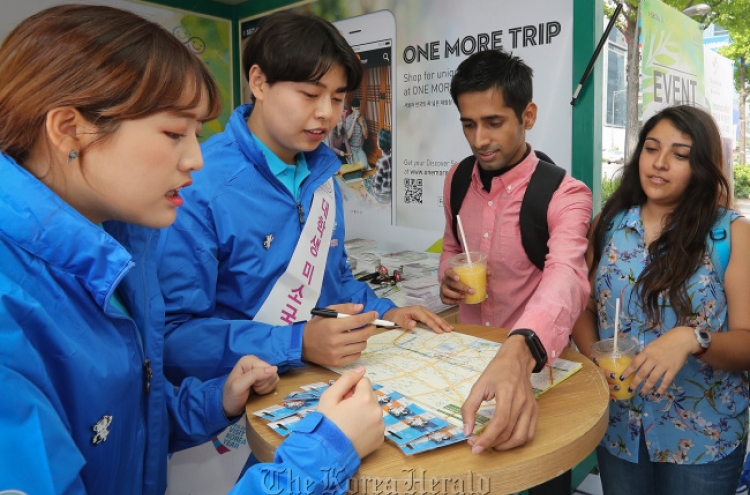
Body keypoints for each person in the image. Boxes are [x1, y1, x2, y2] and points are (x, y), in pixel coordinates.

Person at [0, 5, 384, 495]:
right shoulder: (14, 312)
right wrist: (323, 454)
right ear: (70, 129)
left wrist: (212, 402)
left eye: (196, 133)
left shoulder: (116, 245)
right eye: (173, 133)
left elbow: (119, 425)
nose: (196, 158)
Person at [149, 10, 452, 387]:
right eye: (309, 94)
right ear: (259, 82)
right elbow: (174, 338)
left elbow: (335, 279)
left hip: (317, 386)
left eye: (338, 98)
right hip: (231, 412)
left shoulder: (322, 173)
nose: (326, 113)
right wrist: (296, 342)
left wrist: (387, 313)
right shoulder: (198, 183)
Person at [572, 105, 750, 495]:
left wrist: (693, 339)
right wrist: (594, 359)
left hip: (703, 438)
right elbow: (584, 309)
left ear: (701, 165)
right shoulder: (610, 223)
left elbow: (747, 341)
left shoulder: (729, 234)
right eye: (652, 149)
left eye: (680, 154)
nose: (660, 163)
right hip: (620, 429)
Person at [438, 49, 592, 494]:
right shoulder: (456, 179)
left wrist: (520, 348)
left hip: (538, 375)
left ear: (528, 115)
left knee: (542, 483)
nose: (479, 139)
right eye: (468, 124)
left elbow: (567, 277)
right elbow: (452, 247)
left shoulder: (565, 193)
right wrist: (448, 275)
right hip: (465, 368)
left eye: (494, 122)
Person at [367, 128, 392, 203]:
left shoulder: (380, 162)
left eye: (377, 140)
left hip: (382, 197)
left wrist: (372, 181)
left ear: (379, 144)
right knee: (373, 177)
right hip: (392, 194)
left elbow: (377, 185)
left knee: (367, 182)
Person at [345, 96, 369, 168]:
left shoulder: (362, 118)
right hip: (351, 148)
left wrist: (362, 124)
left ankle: (352, 159)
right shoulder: (348, 119)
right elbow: (348, 137)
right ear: (352, 108)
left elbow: (366, 136)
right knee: (357, 166)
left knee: (364, 166)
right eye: (356, 109)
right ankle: (348, 158)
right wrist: (354, 120)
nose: (357, 112)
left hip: (359, 148)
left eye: (358, 109)